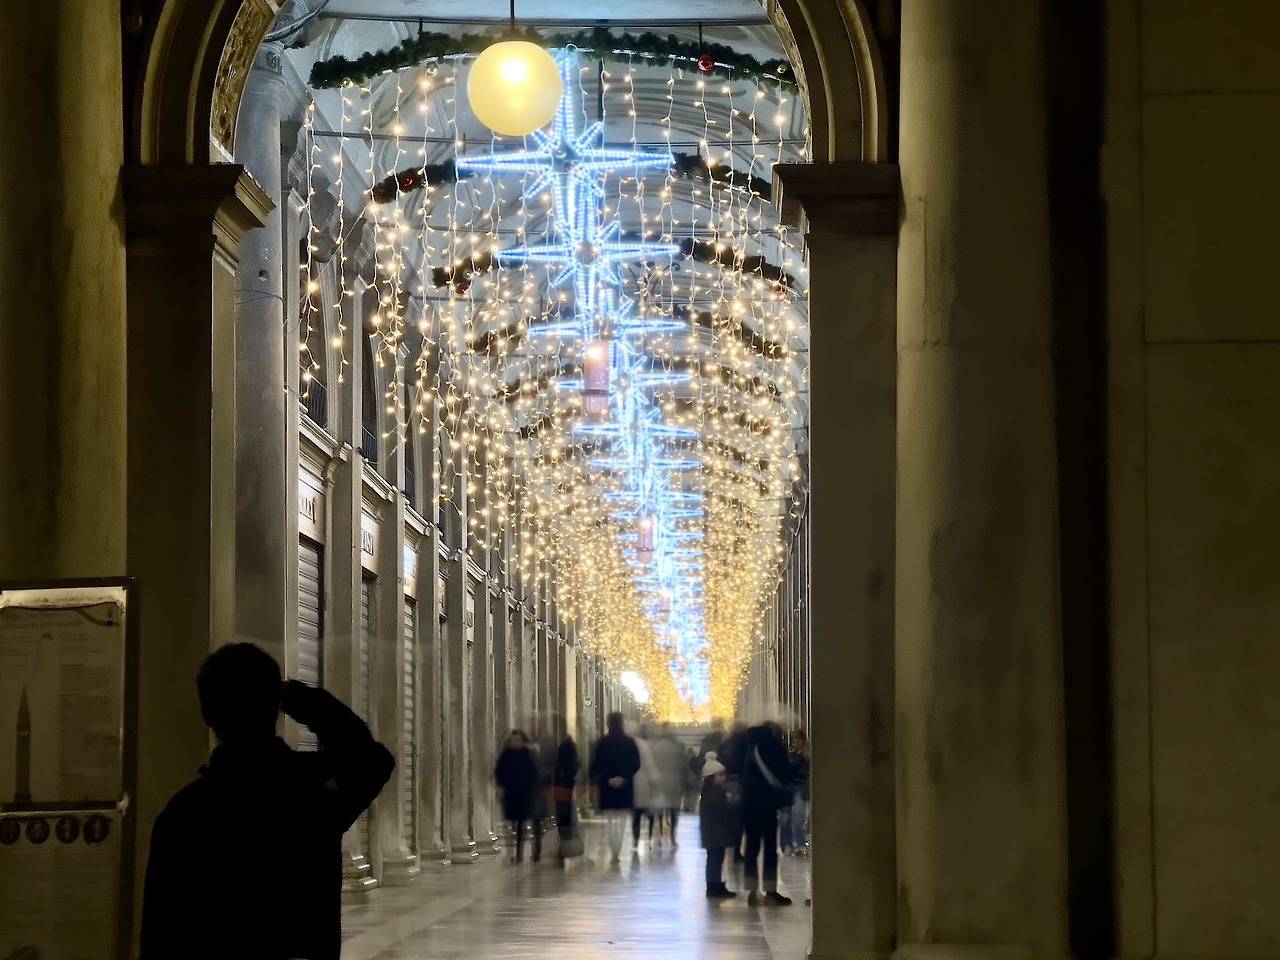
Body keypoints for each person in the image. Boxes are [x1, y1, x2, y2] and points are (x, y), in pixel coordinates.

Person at [141, 642, 394, 960]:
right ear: (276, 706)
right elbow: (373, 759)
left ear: (207, 714)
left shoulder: (184, 813)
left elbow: (160, 933)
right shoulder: (309, 793)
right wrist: (297, 697)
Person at [740, 721, 794, 906]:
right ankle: (770, 891)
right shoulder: (774, 747)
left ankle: (752, 890)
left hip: (749, 804)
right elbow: (784, 774)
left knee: (751, 849)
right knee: (770, 848)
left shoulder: (748, 746)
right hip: (768, 805)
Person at [589, 712, 641, 863]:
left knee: (610, 820)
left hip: (607, 786)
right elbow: (636, 763)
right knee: (623, 820)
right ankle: (618, 848)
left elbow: (597, 764)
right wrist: (624, 777)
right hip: (625, 786)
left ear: (608, 723)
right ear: (622, 723)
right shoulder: (630, 742)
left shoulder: (602, 742)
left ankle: (614, 851)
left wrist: (608, 778)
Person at [494, 729, 540, 862]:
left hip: (524, 794)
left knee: (521, 823)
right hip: (509, 793)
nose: (515, 743)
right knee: (508, 823)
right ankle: (510, 851)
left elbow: (534, 773)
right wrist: (503, 784)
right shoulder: (505, 755)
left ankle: (519, 852)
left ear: (523, 741)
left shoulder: (528, 754)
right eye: (513, 740)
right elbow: (499, 771)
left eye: (518, 740)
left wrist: (529, 787)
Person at [699, 752, 740, 899]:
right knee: (715, 859)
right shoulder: (716, 793)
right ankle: (713, 886)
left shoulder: (709, 792)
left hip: (713, 832)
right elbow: (723, 811)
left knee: (715, 859)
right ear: (711, 778)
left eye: (724, 775)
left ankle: (715, 884)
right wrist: (734, 804)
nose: (723, 778)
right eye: (720, 776)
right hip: (716, 832)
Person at [650, 723, 688, 846]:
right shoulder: (677, 747)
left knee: (660, 809)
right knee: (674, 811)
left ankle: (660, 831)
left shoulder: (656, 746)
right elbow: (683, 765)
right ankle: (672, 836)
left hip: (660, 782)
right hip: (675, 782)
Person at [552, 727, 581, 857]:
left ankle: (567, 846)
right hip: (564, 784)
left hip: (563, 785)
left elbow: (572, 765)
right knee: (565, 815)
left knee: (564, 815)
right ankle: (566, 845)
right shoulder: (566, 745)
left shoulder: (566, 746)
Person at [631, 723, 659, 849]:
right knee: (649, 813)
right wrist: (654, 781)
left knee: (636, 815)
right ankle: (649, 837)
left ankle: (636, 838)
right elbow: (649, 765)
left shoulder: (629, 743)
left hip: (632, 783)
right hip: (644, 783)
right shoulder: (643, 745)